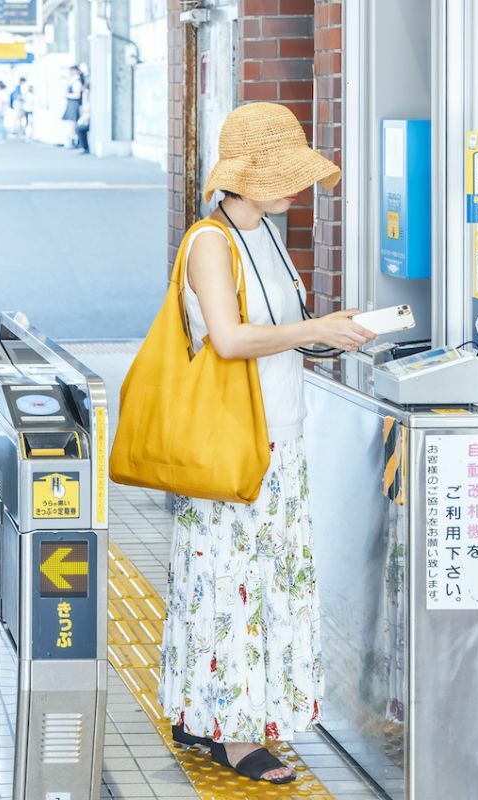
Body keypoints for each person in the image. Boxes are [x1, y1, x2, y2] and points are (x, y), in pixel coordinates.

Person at [158, 102, 376, 785]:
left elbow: (275, 336)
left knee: (261, 584)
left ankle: (205, 715)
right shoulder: (210, 243)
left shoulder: (268, 239)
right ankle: (232, 732)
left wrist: (327, 336)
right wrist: (316, 332)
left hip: (280, 440)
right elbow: (229, 340)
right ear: (240, 175)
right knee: (232, 587)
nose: (295, 186)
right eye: (279, 173)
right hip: (235, 447)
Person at [61, 65, 85, 147]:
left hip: (73, 104)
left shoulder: (77, 81)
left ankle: (74, 141)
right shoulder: (73, 81)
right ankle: (73, 141)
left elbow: (77, 95)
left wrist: (67, 95)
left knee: (72, 123)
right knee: (71, 123)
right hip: (72, 104)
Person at [75, 79, 92, 155]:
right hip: (87, 119)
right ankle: (83, 146)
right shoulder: (87, 100)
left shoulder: (91, 100)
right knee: (79, 128)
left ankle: (84, 147)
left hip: (89, 120)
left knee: (79, 129)